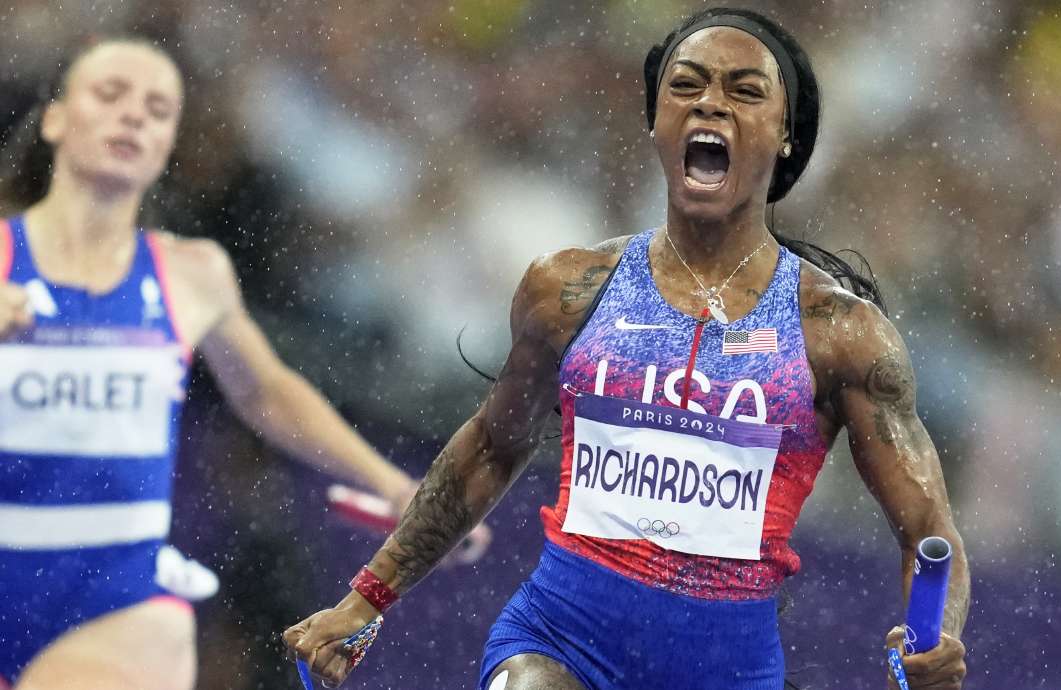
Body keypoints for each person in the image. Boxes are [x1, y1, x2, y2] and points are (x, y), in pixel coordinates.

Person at [285, 8, 969, 689]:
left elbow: (928, 531)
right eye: (687, 85)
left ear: (786, 138)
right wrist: (366, 599)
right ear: (656, 122)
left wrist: (933, 640)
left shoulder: (838, 332)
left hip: (728, 673)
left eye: (745, 90)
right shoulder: (568, 290)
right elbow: (491, 448)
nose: (710, 103)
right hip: (557, 642)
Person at [0, 38, 490, 690]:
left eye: (156, 108)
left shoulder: (191, 271)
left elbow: (266, 391)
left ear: (170, 141)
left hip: (116, 603)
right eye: (110, 94)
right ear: (57, 119)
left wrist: (400, 489)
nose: (133, 117)